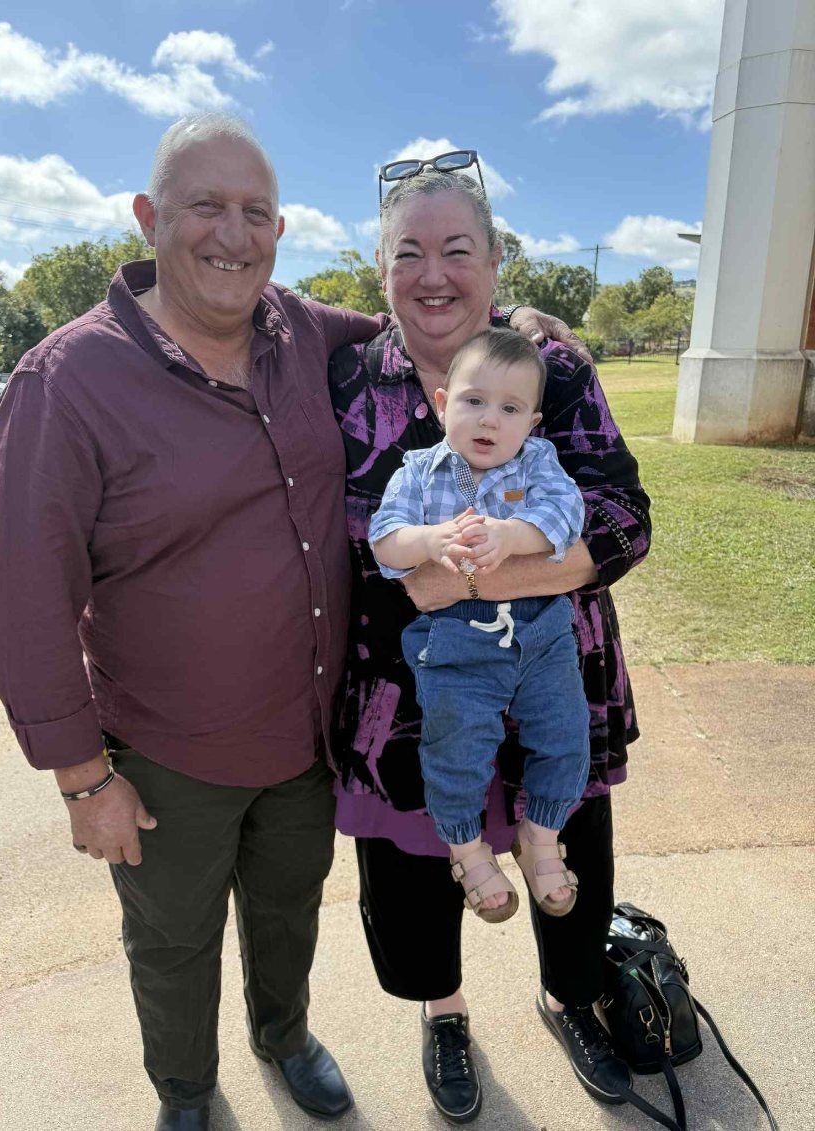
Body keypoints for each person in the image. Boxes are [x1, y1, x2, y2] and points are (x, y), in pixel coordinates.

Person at [0, 112, 401, 1131]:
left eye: (255, 212)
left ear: (278, 228)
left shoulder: (300, 330)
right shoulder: (65, 380)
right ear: (147, 219)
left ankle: (284, 1037)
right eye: (205, 206)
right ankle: (183, 1087)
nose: (233, 232)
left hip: (306, 736)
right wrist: (85, 781)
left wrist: (517, 330)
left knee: (287, 910)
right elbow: (28, 602)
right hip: (165, 755)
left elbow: (414, 331)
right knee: (171, 942)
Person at [328, 159, 651, 1124]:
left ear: (496, 260)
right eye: (408, 253)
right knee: (421, 863)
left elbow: (624, 515)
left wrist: (462, 572)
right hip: (406, 688)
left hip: (559, 662)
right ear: (379, 267)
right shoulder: (350, 374)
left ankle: (569, 995)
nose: (434, 274)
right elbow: (349, 527)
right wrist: (416, 564)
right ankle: (445, 1012)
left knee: (567, 842)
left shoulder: (558, 368)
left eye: (457, 249)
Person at [369, 328, 590, 923]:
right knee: (457, 748)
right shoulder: (418, 472)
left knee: (566, 738)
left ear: (532, 422)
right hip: (456, 640)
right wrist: (431, 540)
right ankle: (467, 848)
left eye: (510, 408)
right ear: (443, 404)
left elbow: (566, 513)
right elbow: (385, 543)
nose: (489, 420)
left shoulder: (538, 461)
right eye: (473, 401)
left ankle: (541, 838)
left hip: (542, 633)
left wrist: (511, 536)